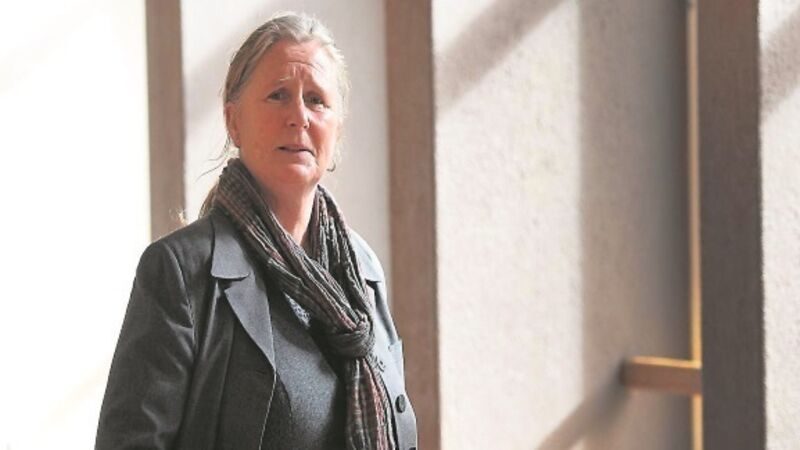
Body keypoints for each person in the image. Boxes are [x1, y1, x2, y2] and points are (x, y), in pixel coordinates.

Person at [96, 11, 417, 450]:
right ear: (234, 121)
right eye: (278, 95)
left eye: (316, 100)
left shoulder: (363, 273)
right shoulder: (179, 272)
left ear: (336, 131)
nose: (299, 116)